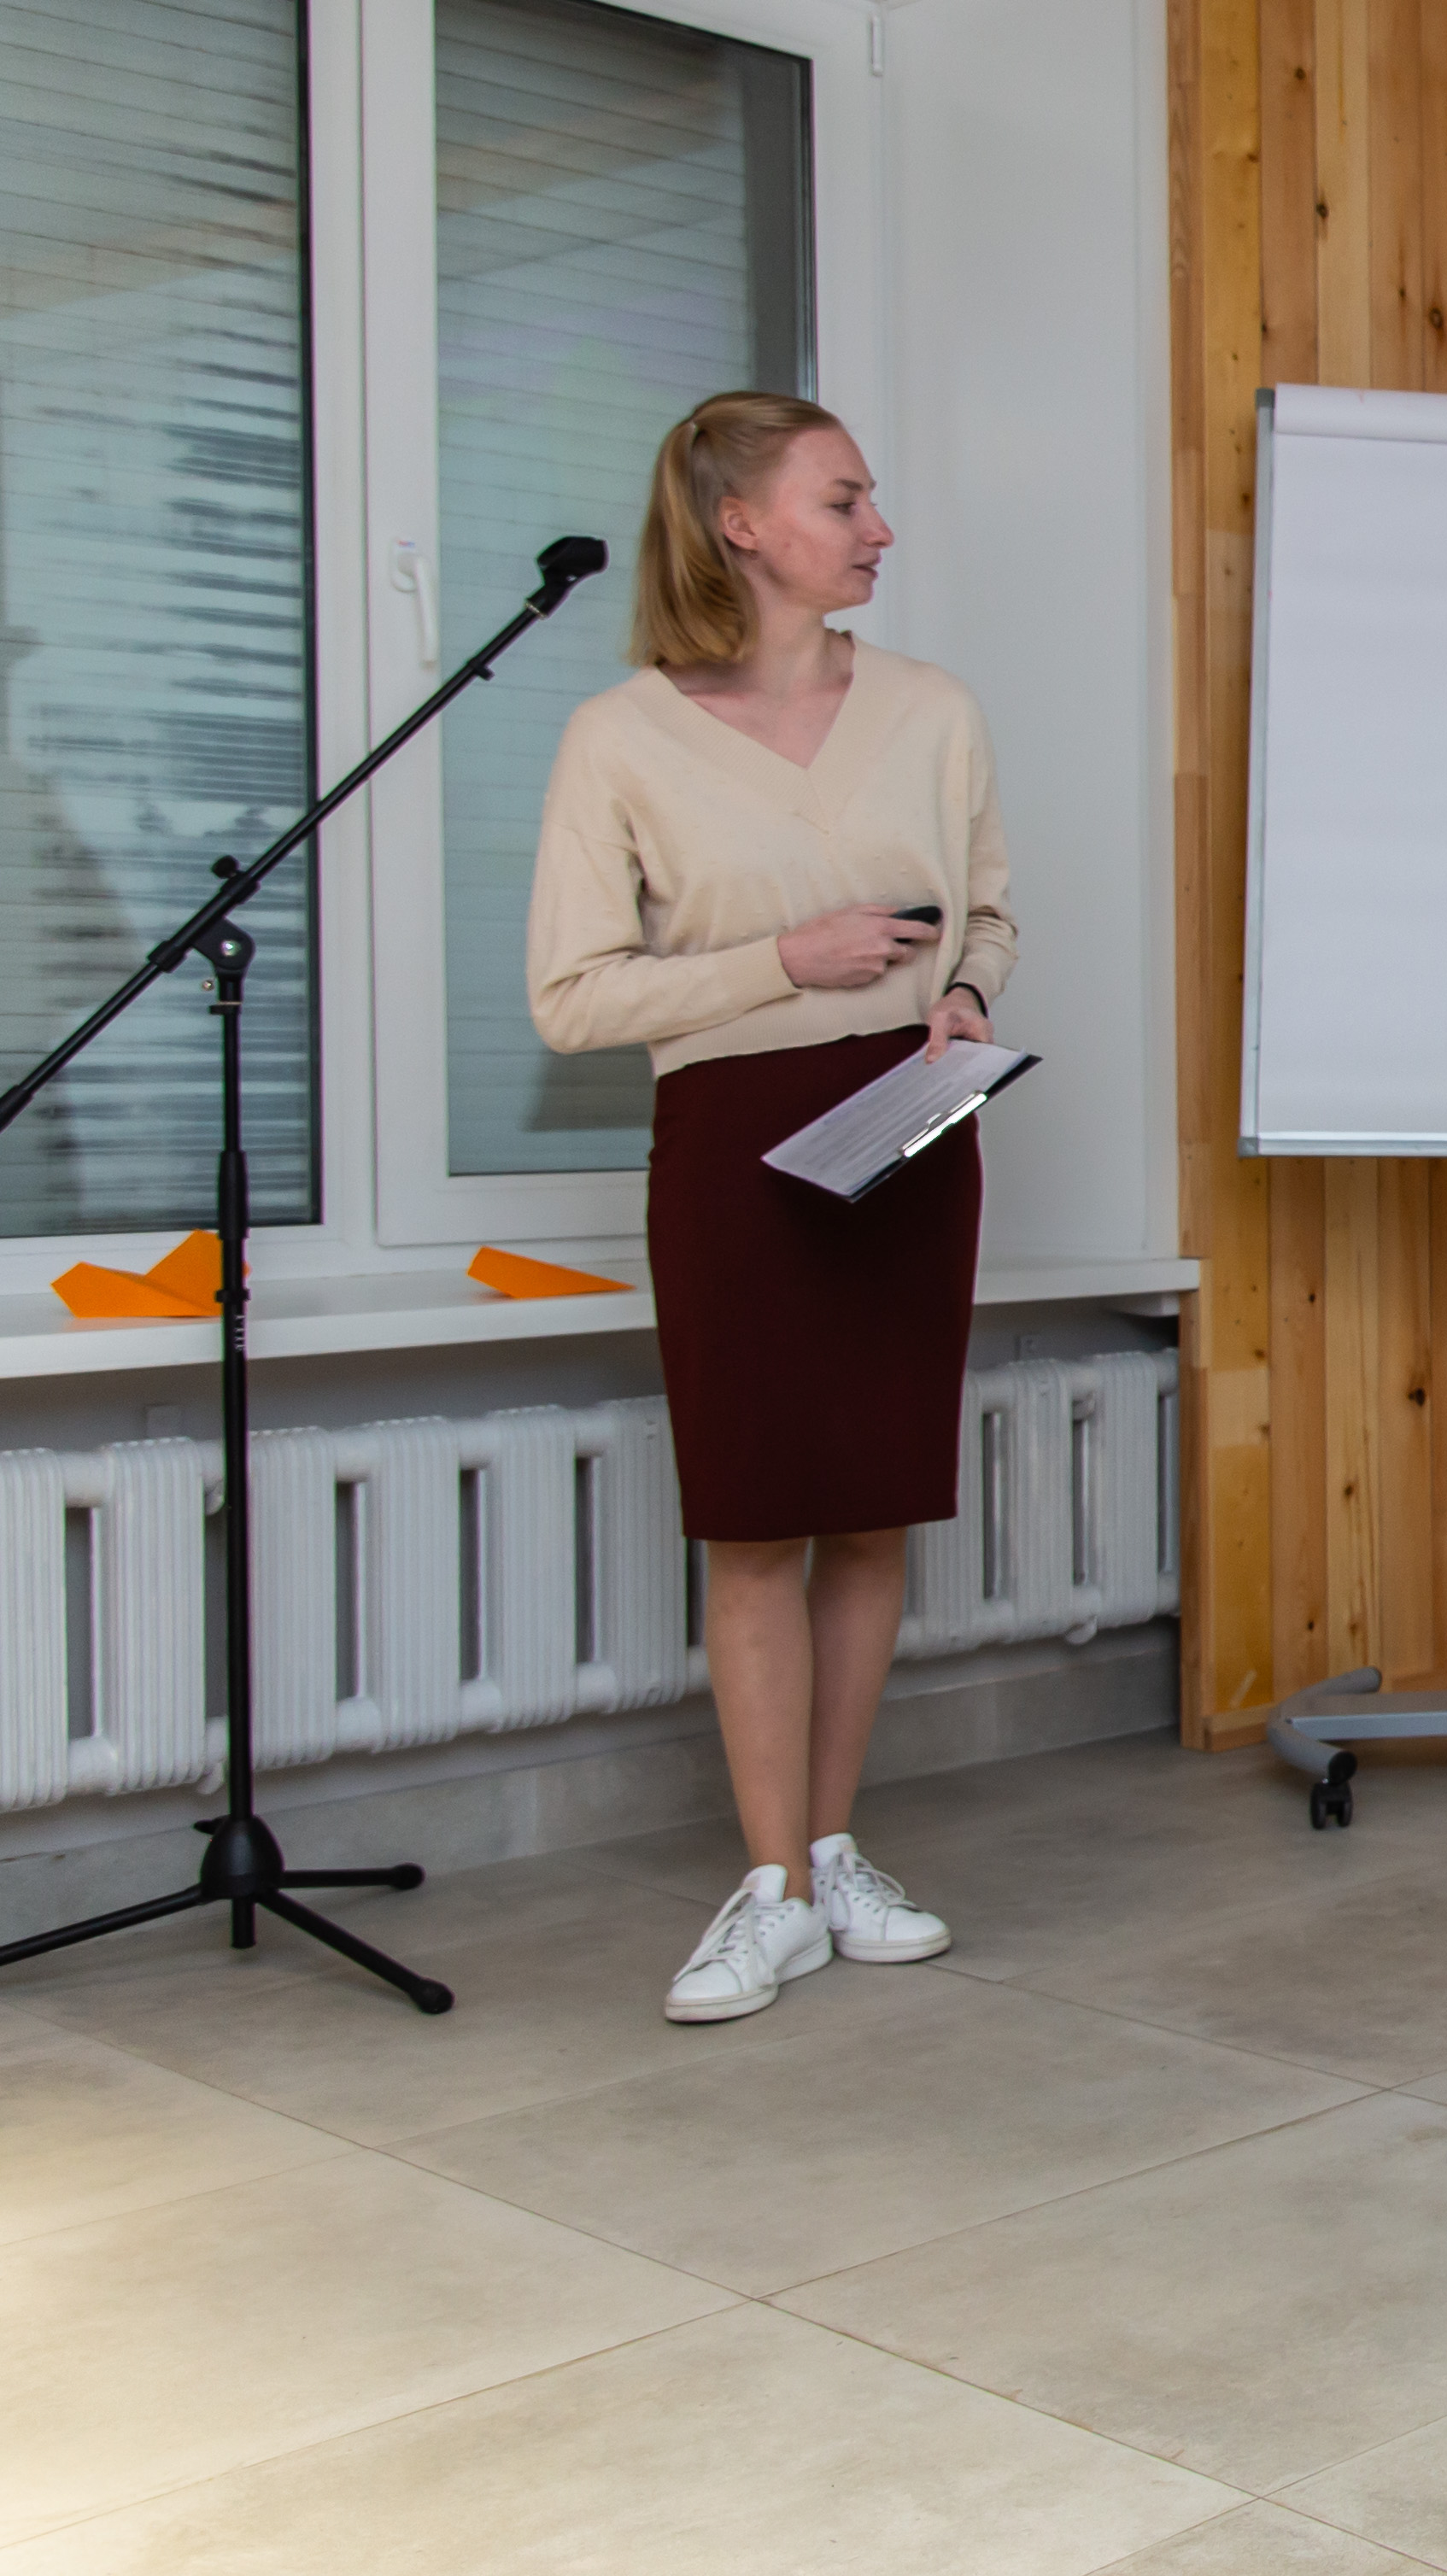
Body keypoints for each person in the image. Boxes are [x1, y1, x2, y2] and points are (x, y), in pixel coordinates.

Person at [528, 393, 1012, 2023]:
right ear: (741, 524)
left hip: (911, 1123)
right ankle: (774, 1893)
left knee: (871, 1508)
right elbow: (573, 1000)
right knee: (753, 1518)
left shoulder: (933, 709)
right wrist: (780, 963)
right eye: (845, 499)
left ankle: (834, 1845)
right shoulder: (619, 738)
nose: (880, 528)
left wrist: (964, 997)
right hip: (732, 1141)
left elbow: (990, 914)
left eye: (871, 500)